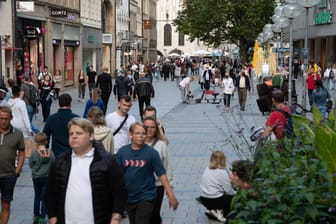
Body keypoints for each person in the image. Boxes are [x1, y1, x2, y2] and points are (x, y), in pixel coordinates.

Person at [45, 118, 127, 224]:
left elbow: (119, 191)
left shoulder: (106, 161)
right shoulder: (60, 162)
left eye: (79, 133)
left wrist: (116, 217)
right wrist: (52, 217)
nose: (74, 136)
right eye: (71, 134)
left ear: (91, 136)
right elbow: (50, 192)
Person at [116, 122, 178, 224]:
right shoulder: (122, 153)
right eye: (137, 133)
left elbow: (162, 174)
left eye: (143, 133)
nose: (141, 136)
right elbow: (117, 176)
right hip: (129, 197)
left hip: (146, 196)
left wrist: (170, 194)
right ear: (130, 135)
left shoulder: (152, 153)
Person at [143, 117, 172, 224]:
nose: (149, 130)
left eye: (152, 127)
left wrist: (170, 188)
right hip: (140, 185)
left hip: (157, 185)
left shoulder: (161, 145)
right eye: (146, 127)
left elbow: (167, 167)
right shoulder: (137, 143)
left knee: (154, 214)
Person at [0, 106, 25, 224]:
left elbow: (22, 152)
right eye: (0, 118)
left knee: (5, 204)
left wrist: (17, 171)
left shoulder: (17, 134)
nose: (3, 121)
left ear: (11, 118)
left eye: (6, 119)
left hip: (9, 175)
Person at [199, 150, 235, 222]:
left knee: (218, 193)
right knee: (232, 198)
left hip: (204, 199)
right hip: (215, 200)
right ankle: (220, 212)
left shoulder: (207, 169)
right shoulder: (222, 172)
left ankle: (212, 209)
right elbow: (229, 191)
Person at [29, 133, 55, 224]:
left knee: (37, 196)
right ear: (46, 142)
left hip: (36, 177)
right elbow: (54, 164)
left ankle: (36, 216)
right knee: (44, 198)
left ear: (36, 143)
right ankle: (42, 217)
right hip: (47, 177)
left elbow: (30, 164)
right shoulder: (50, 153)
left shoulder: (35, 154)